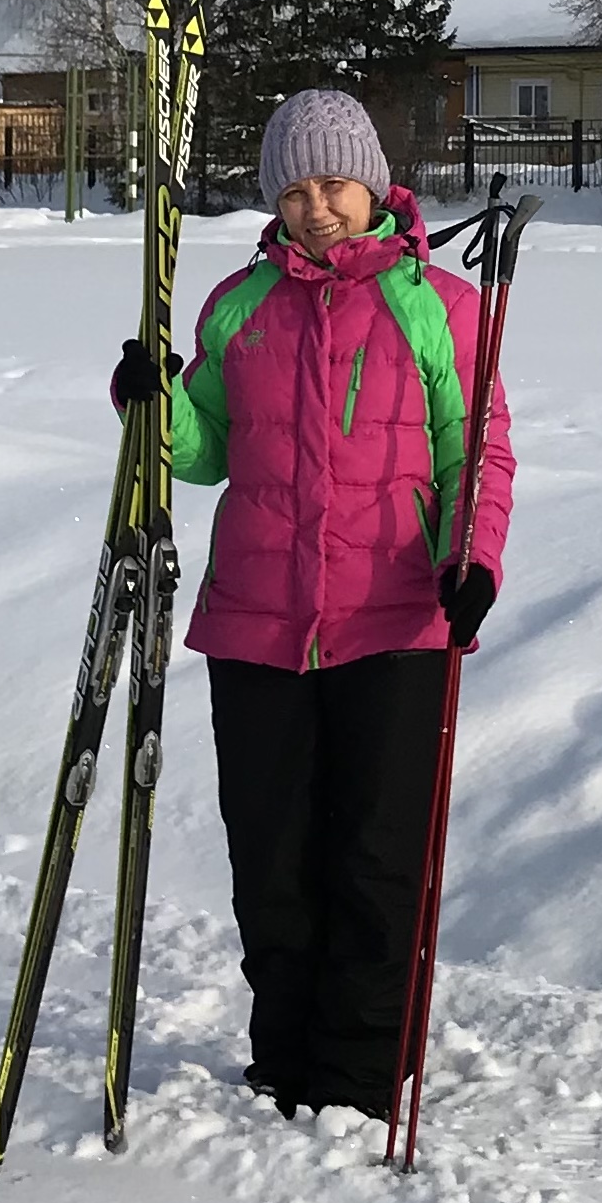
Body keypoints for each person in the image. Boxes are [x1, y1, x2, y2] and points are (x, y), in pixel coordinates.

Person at [111, 88, 513, 1120]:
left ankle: (363, 1076)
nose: (315, 206)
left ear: (370, 182)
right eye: (293, 188)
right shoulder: (238, 305)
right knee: (272, 863)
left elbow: (476, 449)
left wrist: (471, 557)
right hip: (256, 621)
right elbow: (204, 455)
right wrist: (149, 402)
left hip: (395, 619)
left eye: (332, 183)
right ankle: (283, 1062)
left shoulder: (437, 304)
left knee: (376, 860)